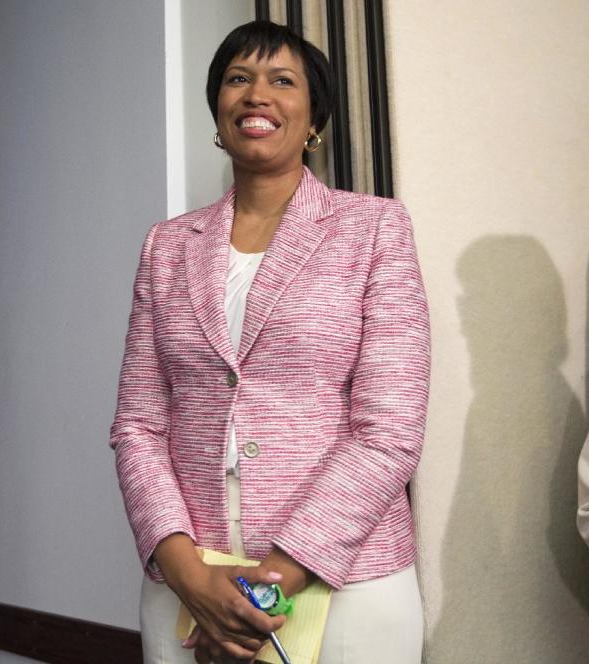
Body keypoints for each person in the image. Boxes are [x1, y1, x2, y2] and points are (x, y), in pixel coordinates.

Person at [110, 20, 430, 664]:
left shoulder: (374, 230)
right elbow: (138, 426)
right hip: (188, 586)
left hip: (347, 583)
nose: (257, 94)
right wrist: (188, 573)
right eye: (238, 78)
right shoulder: (166, 247)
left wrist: (272, 583)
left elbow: (389, 429)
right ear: (219, 112)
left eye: (282, 81)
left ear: (314, 119)